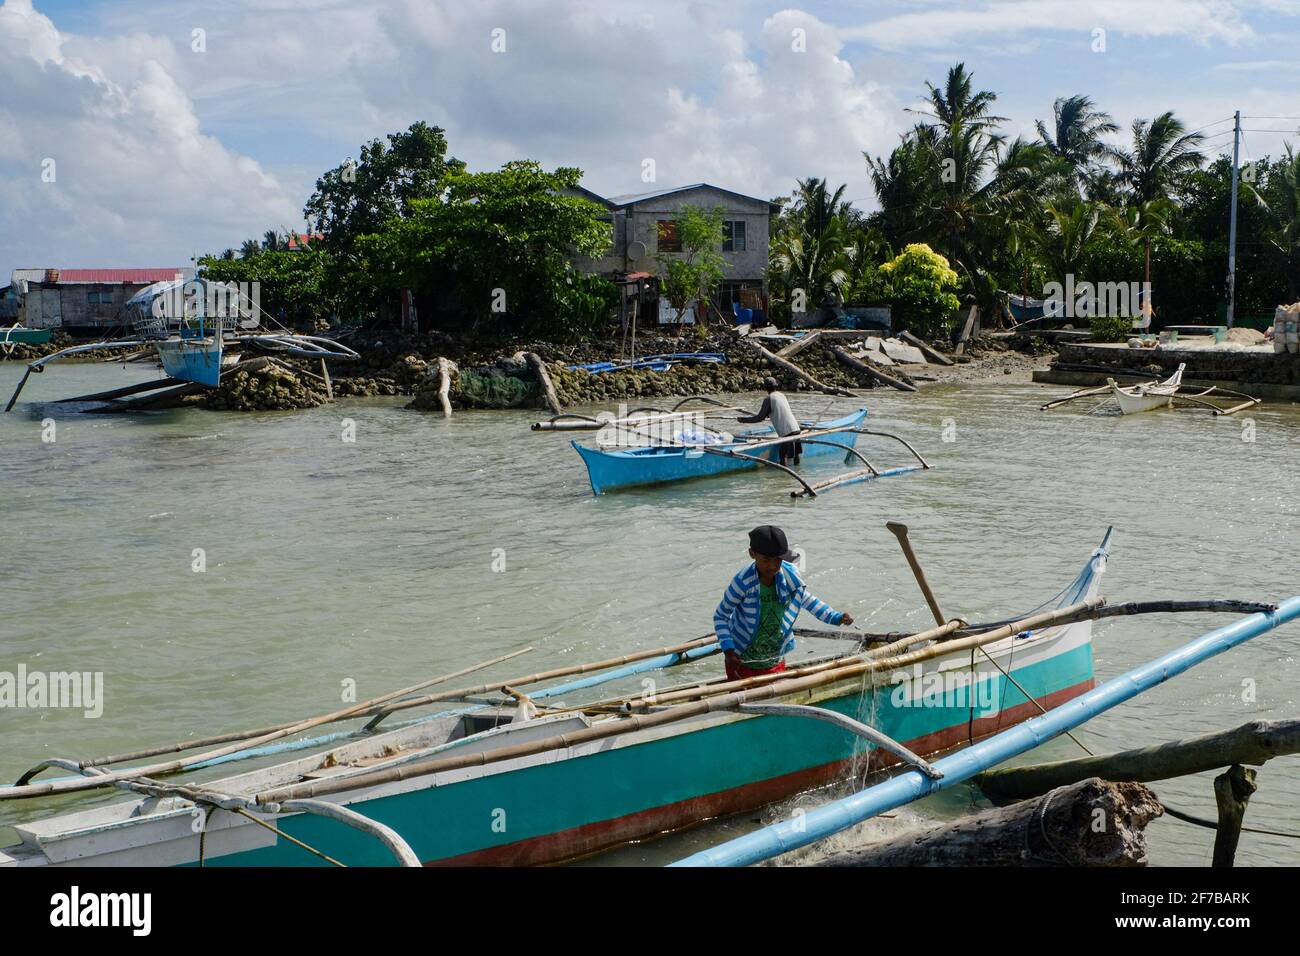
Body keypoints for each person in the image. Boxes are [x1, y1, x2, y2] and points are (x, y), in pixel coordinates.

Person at [713, 525, 854, 681]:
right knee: (743, 700)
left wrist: (835, 617)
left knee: (773, 701)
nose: (772, 566)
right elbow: (721, 616)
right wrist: (729, 651)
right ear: (752, 554)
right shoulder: (743, 582)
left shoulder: (789, 576)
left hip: (775, 658)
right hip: (742, 660)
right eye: (766, 560)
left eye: (778, 560)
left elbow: (807, 600)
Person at [738, 377, 802, 465]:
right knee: (796, 454)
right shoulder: (781, 395)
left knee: (783, 455)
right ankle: (798, 471)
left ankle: (785, 477)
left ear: (765, 388)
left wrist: (743, 420)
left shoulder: (768, 399)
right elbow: (779, 410)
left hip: (786, 431)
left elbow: (759, 418)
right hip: (796, 428)